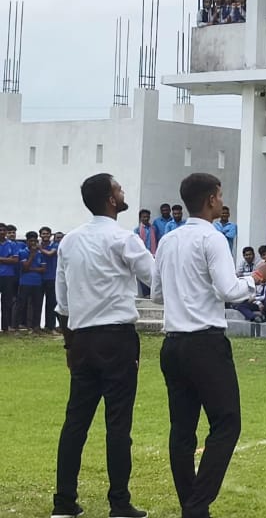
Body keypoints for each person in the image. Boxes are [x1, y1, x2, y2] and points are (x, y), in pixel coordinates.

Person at [151, 173, 266, 518]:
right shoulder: (213, 238)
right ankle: (197, 506)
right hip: (205, 344)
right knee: (226, 423)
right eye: (220, 196)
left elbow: (157, 294)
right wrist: (257, 277)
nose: (223, 202)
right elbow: (229, 290)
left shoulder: (168, 240)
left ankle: (191, 504)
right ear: (210, 199)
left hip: (173, 343)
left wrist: (189, 290)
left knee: (182, 430)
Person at [52, 174, 155, 518]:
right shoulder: (124, 238)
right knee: (118, 424)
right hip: (117, 339)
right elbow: (155, 278)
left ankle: (64, 502)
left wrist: (69, 346)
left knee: (75, 422)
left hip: (81, 339)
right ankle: (119, 503)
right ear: (111, 200)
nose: (123, 192)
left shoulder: (69, 242)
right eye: (119, 188)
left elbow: (63, 303)